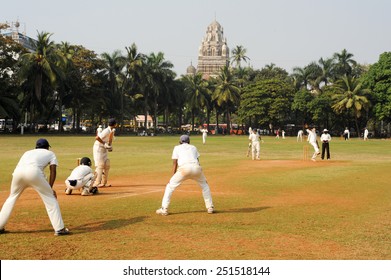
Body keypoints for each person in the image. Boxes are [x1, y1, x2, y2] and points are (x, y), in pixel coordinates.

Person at [0, 138, 70, 236]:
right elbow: (53, 170)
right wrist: (50, 189)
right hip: (34, 173)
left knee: (11, 198)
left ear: (36, 147)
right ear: (47, 147)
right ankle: (59, 229)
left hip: (17, 173)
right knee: (50, 199)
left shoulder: (27, 152)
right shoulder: (50, 153)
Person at [156, 135, 214, 216]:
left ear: (180, 141)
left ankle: (164, 209)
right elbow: (197, 161)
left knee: (170, 187)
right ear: (189, 141)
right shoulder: (193, 147)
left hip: (184, 169)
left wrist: (172, 176)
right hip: (196, 168)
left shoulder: (176, 147)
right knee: (205, 185)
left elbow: (175, 163)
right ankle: (210, 207)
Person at [93, 118, 116, 188]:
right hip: (98, 149)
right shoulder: (106, 131)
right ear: (115, 124)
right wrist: (104, 144)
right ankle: (96, 183)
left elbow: (110, 140)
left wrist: (109, 146)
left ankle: (104, 182)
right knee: (100, 165)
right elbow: (97, 137)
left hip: (104, 149)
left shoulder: (112, 130)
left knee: (106, 164)